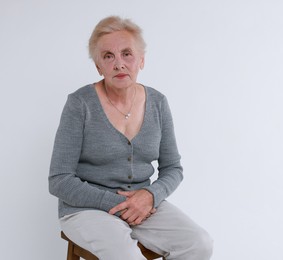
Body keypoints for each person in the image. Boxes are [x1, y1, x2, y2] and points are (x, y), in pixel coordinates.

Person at [49, 16, 213, 260]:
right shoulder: (80, 104)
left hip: (143, 204)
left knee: (199, 244)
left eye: (127, 54)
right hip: (86, 209)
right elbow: (59, 180)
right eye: (108, 56)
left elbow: (173, 168)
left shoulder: (158, 102)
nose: (119, 64)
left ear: (141, 60)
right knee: (126, 255)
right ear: (98, 66)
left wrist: (150, 196)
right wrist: (114, 203)